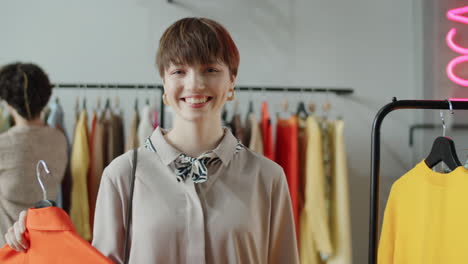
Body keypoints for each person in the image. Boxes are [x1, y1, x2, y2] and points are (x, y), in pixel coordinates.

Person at [4, 17, 299, 263]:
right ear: (164, 80)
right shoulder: (122, 175)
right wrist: (36, 239)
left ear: (232, 79)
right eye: (179, 71)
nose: (194, 84)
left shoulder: (267, 178)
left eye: (211, 69)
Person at [0, 63, 68, 247]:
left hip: (8, 249)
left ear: (8, 103)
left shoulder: (4, 145)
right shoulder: (59, 139)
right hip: (45, 246)